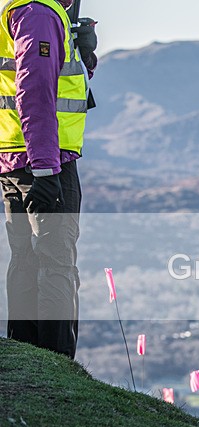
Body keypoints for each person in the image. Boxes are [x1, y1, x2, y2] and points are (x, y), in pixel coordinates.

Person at [0, 0, 97, 359]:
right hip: (44, 162)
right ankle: (57, 366)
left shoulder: (29, 9)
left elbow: (58, 86)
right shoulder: (40, 13)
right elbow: (35, 92)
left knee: (26, 260)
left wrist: (84, 56)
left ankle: (26, 358)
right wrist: (45, 169)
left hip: (19, 158)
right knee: (56, 263)